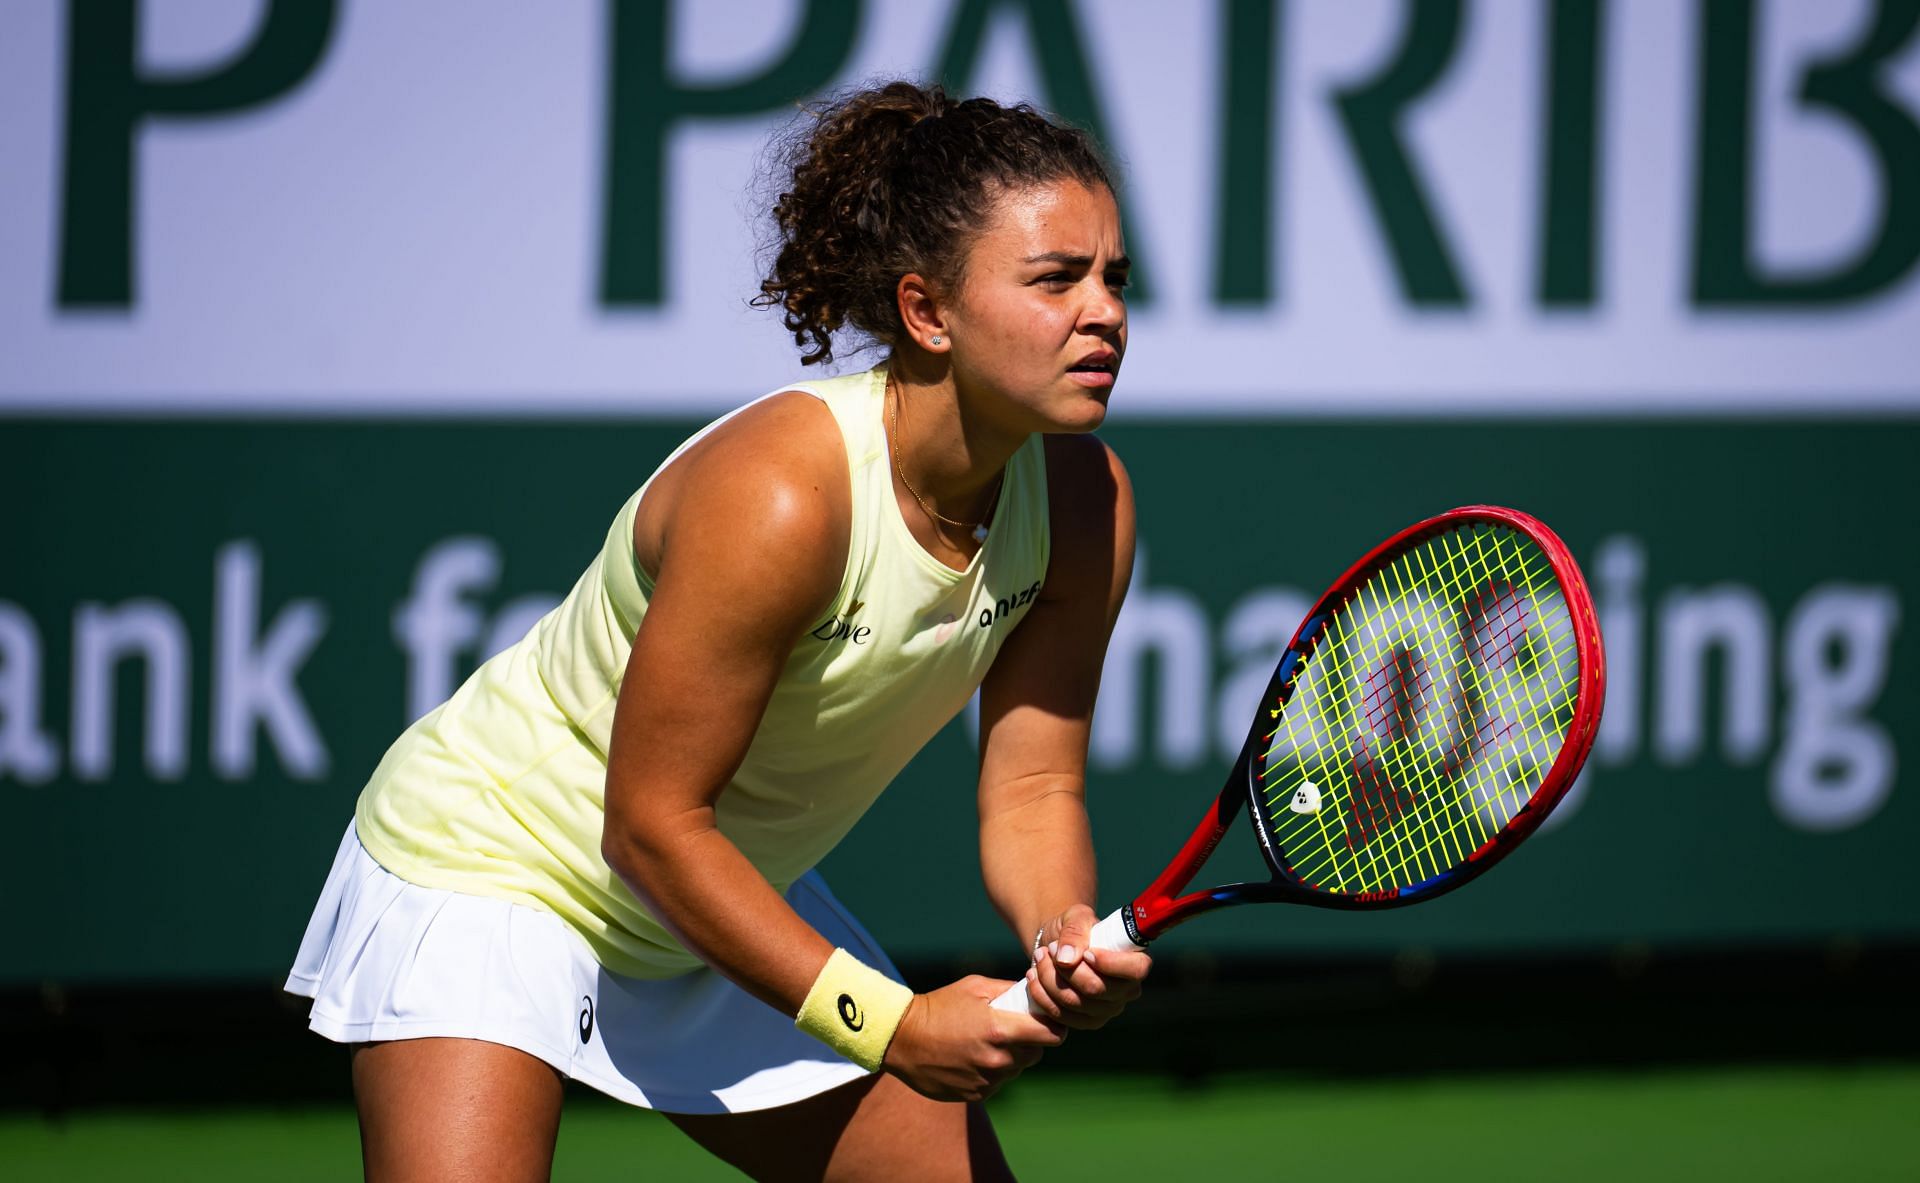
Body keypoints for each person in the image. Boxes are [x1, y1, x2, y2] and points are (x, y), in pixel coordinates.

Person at [286, 79, 1149, 1182]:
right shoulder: (785, 496)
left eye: (1114, 277)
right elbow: (647, 825)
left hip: (722, 891)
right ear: (928, 312)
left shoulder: (1086, 506)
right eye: (1055, 279)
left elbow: (1032, 791)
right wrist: (888, 1023)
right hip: (500, 868)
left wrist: (1062, 934)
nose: (1105, 311)